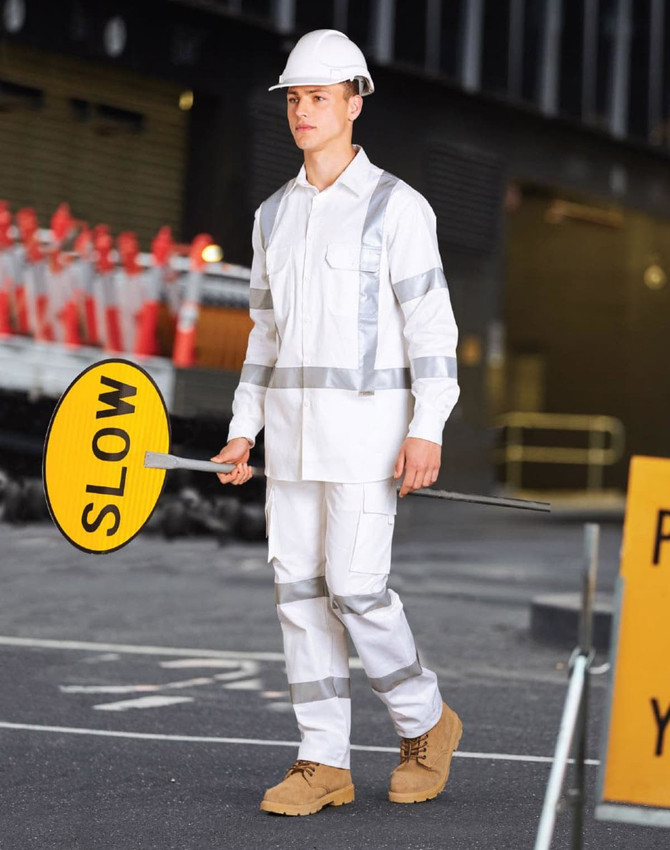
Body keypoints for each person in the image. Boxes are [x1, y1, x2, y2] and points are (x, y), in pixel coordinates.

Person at [212, 29, 462, 817]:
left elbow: (432, 330)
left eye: (319, 97)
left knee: (356, 590)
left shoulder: (399, 208)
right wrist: (242, 429)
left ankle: (426, 722)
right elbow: (265, 336)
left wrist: (430, 426)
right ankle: (322, 760)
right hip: (288, 440)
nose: (303, 110)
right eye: (294, 97)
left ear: (355, 102)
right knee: (298, 595)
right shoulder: (272, 217)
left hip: (370, 439)